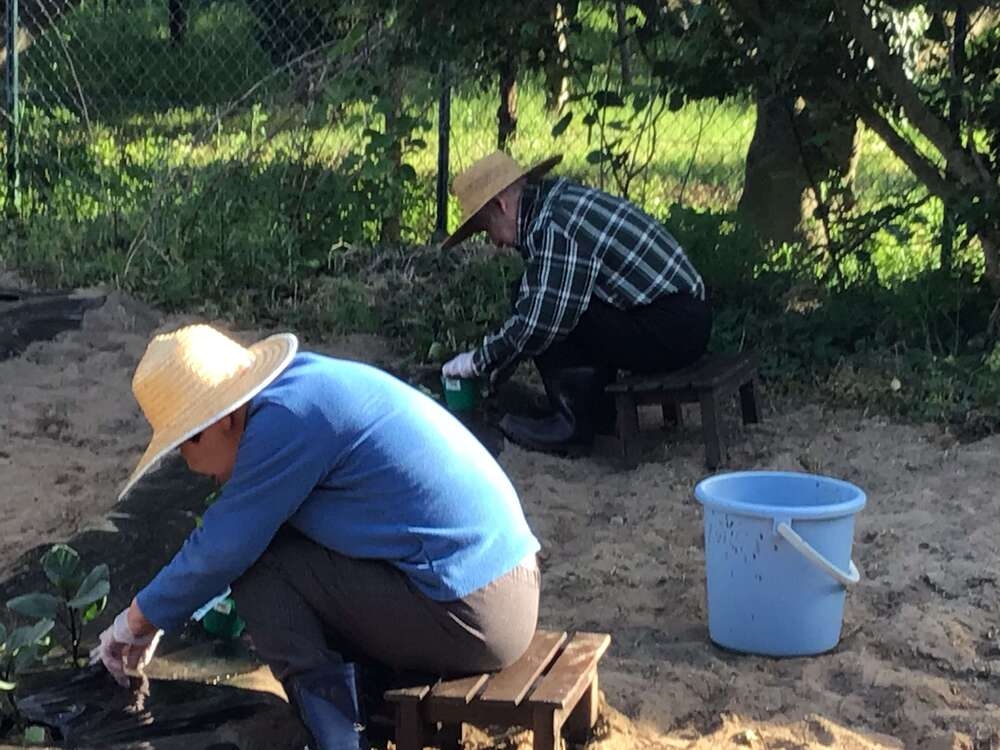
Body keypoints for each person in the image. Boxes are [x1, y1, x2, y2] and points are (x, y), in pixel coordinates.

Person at [91, 324, 541, 750]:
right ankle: (358, 704)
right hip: (499, 584)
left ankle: (341, 737)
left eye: (187, 441)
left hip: (477, 613)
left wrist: (135, 621)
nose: (191, 464)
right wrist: (159, 614)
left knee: (259, 568)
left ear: (222, 418)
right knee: (277, 552)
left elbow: (221, 550)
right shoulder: (301, 388)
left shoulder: (284, 421)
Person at [440, 151, 711, 454]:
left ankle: (574, 426)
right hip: (678, 318)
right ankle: (594, 413)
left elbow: (542, 320)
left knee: (552, 308)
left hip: (674, 328)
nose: (494, 242)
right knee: (533, 291)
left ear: (501, 206)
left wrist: (480, 360)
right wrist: (498, 366)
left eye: (487, 228)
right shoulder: (555, 204)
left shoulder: (555, 224)